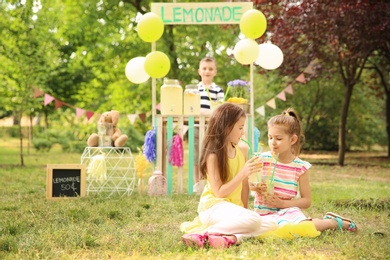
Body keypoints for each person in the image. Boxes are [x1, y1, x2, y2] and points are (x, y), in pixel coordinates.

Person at [180, 103, 278, 249]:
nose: (243, 133)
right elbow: (219, 192)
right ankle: (203, 234)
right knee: (255, 221)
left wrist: (245, 210)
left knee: (272, 224)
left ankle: (229, 238)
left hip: (231, 210)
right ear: (226, 127)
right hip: (213, 207)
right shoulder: (213, 155)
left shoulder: (243, 149)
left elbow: (244, 186)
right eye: (240, 128)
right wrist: (243, 173)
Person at [250, 108, 357, 233]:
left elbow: (306, 201)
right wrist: (255, 187)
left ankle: (332, 222)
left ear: (293, 140)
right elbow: (249, 185)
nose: (273, 143)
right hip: (263, 214)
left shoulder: (300, 167)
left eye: (278, 139)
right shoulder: (261, 159)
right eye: (270, 137)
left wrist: (282, 204)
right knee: (261, 231)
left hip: (288, 212)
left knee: (302, 228)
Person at [193, 57, 224, 194]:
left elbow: (220, 109)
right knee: (196, 154)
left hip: (212, 128)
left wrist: (209, 112)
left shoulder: (218, 90)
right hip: (196, 126)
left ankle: (211, 181)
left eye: (210, 69)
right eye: (204, 68)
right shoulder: (194, 90)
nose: (207, 71)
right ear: (199, 71)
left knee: (212, 154)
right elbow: (191, 108)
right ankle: (197, 183)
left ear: (215, 72)